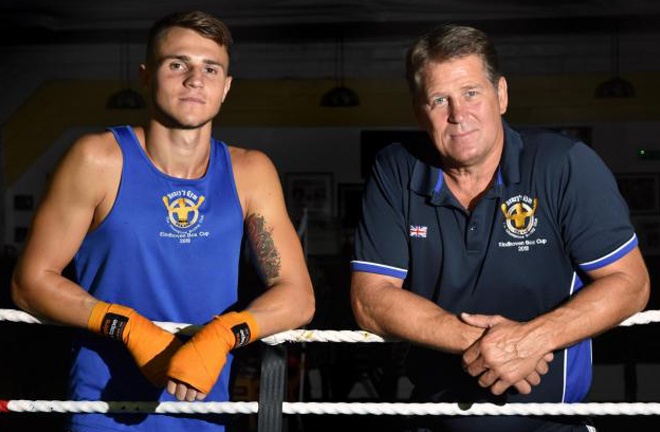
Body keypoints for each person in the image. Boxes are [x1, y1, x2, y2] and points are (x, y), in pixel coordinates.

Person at [10, 10, 315, 432]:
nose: (195, 79)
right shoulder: (98, 158)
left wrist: (227, 332)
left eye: (210, 68)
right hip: (104, 410)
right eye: (177, 64)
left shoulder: (250, 172)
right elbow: (30, 282)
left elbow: (298, 296)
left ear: (226, 88)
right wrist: (128, 327)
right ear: (145, 75)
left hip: (204, 408)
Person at [350, 24, 650, 432]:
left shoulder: (565, 166)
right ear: (420, 111)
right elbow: (371, 299)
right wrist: (491, 345)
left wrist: (535, 338)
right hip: (433, 421)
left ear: (502, 94)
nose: (459, 115)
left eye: (471, 93)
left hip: (552, 425)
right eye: (440, 100)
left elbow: (630, 283)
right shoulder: (396, 170)